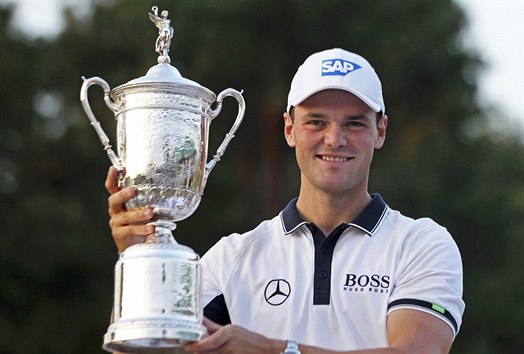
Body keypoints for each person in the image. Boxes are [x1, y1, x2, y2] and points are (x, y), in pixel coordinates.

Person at [106, 48, 464, 354]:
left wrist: (276, 349)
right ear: (289, 129)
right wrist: (142, 265)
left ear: (380, 131)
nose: (335, 139)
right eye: (316, 122)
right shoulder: (232, 258)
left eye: (354, 124)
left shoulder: (421, 244)